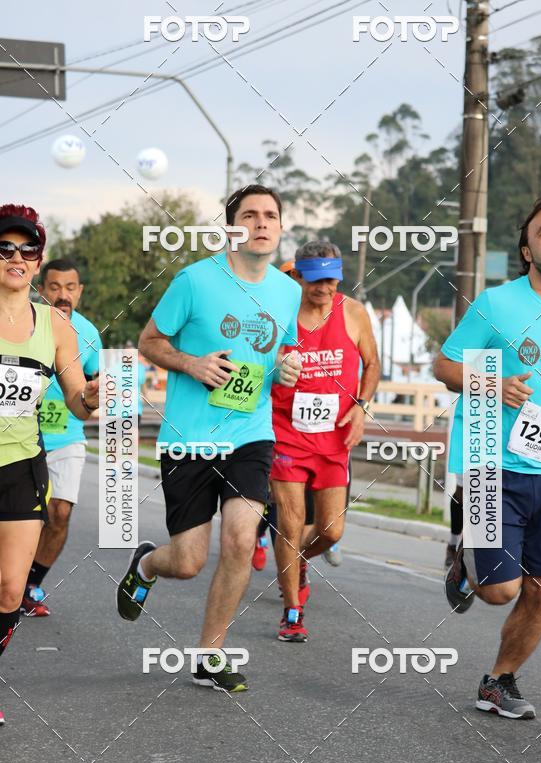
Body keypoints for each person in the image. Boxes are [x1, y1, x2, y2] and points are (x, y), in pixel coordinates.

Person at [115, 185, 302, 692]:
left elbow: (285, 353)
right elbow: (149, 341)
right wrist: (191, 363)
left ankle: (210, 654)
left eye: (270, 216)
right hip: (190, 438)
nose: (261, 224)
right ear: (230, 228)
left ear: (281, 228)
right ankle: (149, 562)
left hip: (250, 434)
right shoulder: (194, 281)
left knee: (241, 539)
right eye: (249, 216)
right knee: (189, 561)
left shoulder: (289, 291)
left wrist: (288, 369)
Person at [435, 197, 541, 720]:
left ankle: (499, 681)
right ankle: (467, 555)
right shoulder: (497, 304)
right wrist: (491, 382)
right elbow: (445, 365)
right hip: (490, 460)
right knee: (500, 591)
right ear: (527, 249)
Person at [0, 204, 99, 725]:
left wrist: (94, 398)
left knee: (11, 589)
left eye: (27, 250)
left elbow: (78, 400)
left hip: (19, 464)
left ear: (38, 261)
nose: (17, 257)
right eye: (6, 248)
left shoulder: (57, 329)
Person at [270, 240, 381, 641]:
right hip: (286, 433)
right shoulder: (279, 315)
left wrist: (361, 406)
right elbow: (253, 363)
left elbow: (372, 364)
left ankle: (295, 558)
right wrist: (274, 368)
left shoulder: (353, 313)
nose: (323, 289)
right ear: (298, 276)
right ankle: (292, 610)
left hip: (334, 438)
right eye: (315, 281)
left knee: (331, 531)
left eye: (331, 280)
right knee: (290, 521)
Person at [21, 259, 102, 616]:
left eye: (70, 288)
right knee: (20, 517)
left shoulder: (89, 334)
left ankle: (31, 584)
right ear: (41, 288)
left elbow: (96, 386)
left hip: (67, 437)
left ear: (80, 292)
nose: (62, 295)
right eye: (55, 287)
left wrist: (101, 395)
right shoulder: (22, 323)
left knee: (60, 513)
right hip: (20, 438)